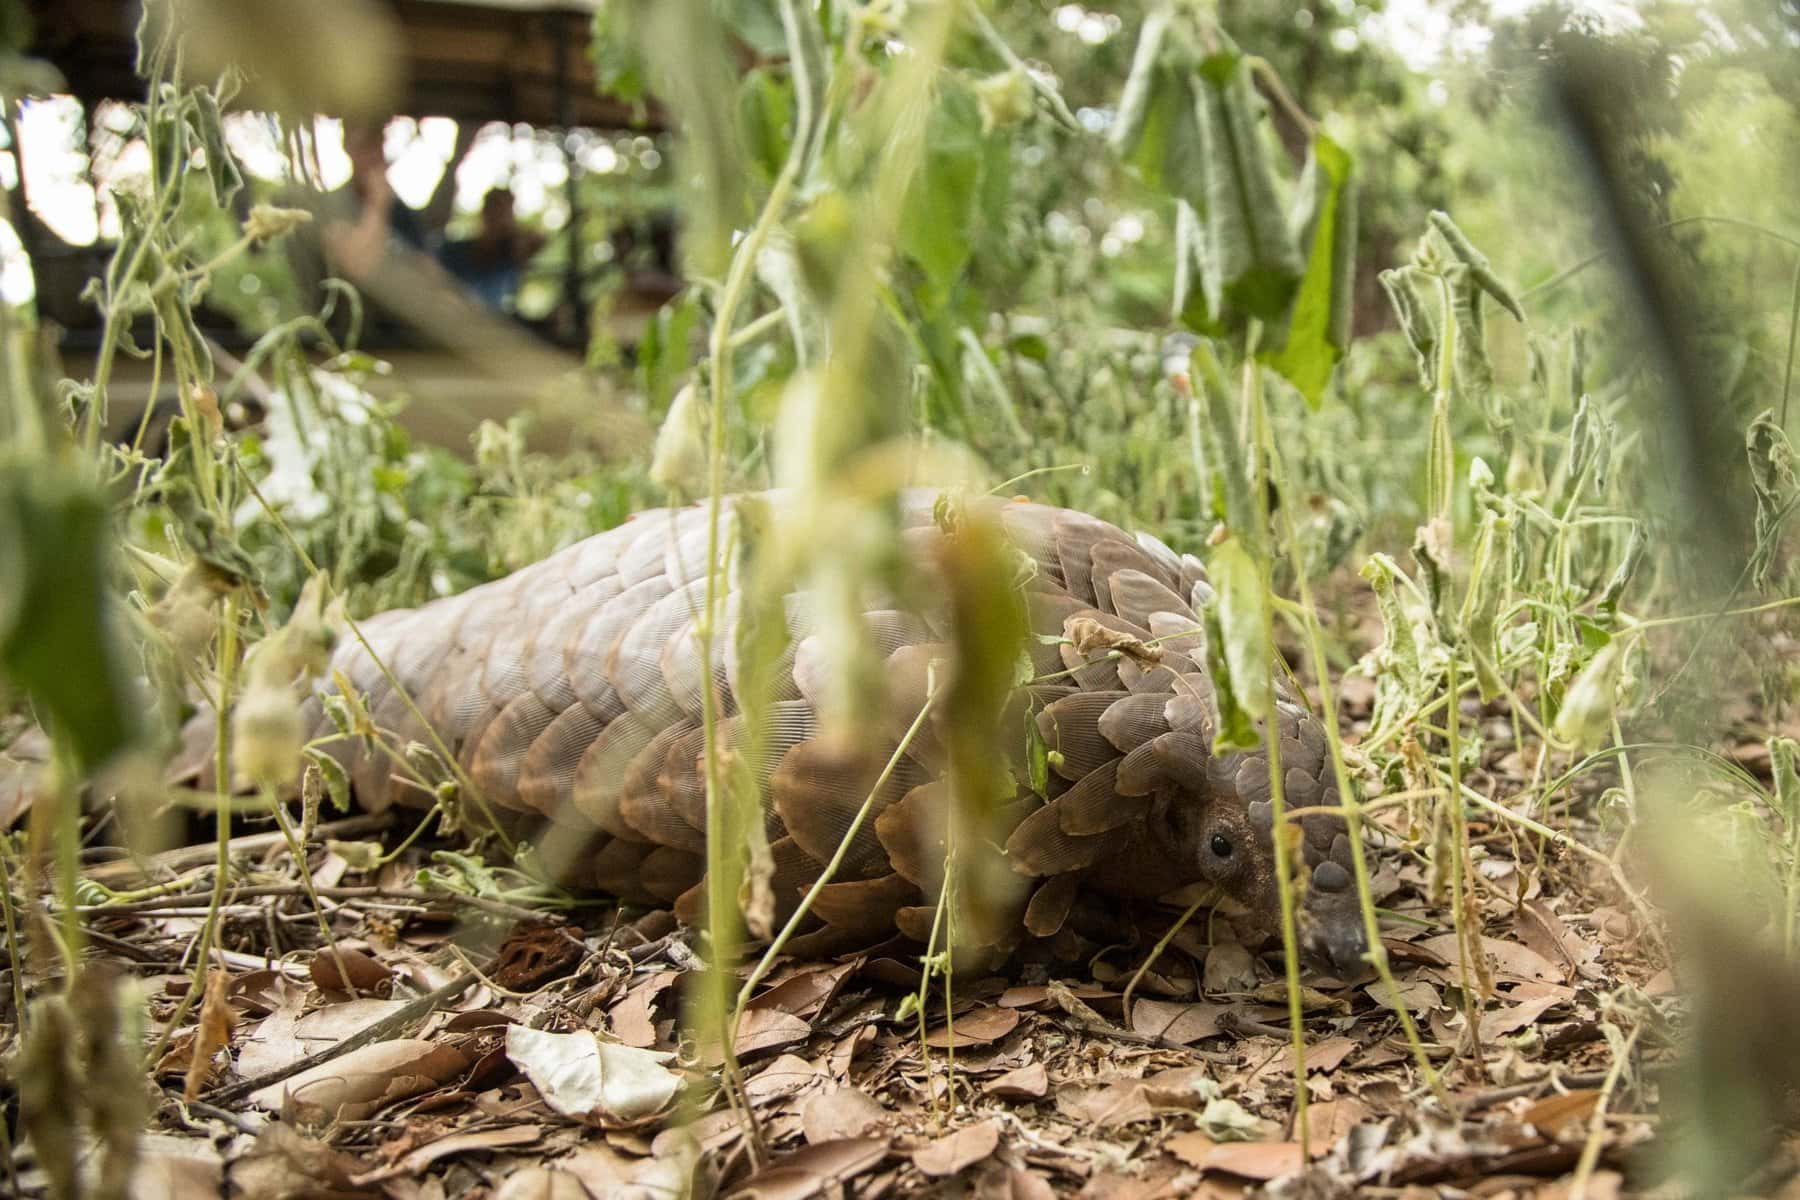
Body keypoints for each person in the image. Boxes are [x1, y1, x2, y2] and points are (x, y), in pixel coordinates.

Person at [438, 187, 544, 312]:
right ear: (485, 213)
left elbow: (538, 241)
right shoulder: (452, 251)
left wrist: (514, 236)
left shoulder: (506, 260)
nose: (501, 218)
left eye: (507, 212)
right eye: (496, 210)